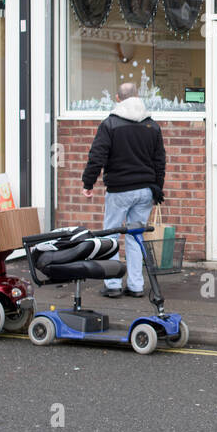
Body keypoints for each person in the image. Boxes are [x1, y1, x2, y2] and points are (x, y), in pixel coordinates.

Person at [82, 82, 166, 297]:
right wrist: (157, 188)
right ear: (137, 96)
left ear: (118, 99)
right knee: (136, 237)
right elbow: (160, 161)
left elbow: (97, 156)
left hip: (119, 190)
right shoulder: (152, 126)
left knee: (111, 237)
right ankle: (136, 286)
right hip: (145, 190)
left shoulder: (109, 124)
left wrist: (88, 183)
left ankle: (113, 285)